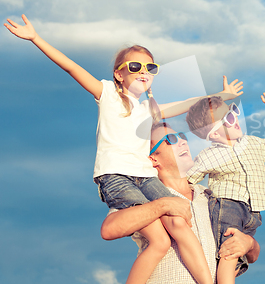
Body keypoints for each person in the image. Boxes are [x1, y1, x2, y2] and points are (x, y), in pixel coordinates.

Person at [4, 15, 243, 284]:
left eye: (150, 67)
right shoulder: (107, 94)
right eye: (135, 66)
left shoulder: (149, 110)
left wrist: (222, 97)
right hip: (116, 176)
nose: (143, 71)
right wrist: (36, 38)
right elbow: (71, 67)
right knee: (159, 240)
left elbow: (188, 103)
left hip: (145, 176)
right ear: (119, 73)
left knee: (179, 220)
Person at [101, 121, 260, 283]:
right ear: (153, 159)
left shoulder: (212, 199)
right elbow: (109, 229)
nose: (183, 141)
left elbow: (252, 255)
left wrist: (249, 244)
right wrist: (162, 205)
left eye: (182, 136)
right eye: (171, 139)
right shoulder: (144, 197)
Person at [185, 94, 265, 284]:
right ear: (214, 134)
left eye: (234, 112)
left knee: (237, 256)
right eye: (228, 119)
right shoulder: (209, 156)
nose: (236, 119)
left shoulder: (252, 144)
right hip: (228, 206)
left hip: (253, 212)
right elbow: (187, 180)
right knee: (228, 255)